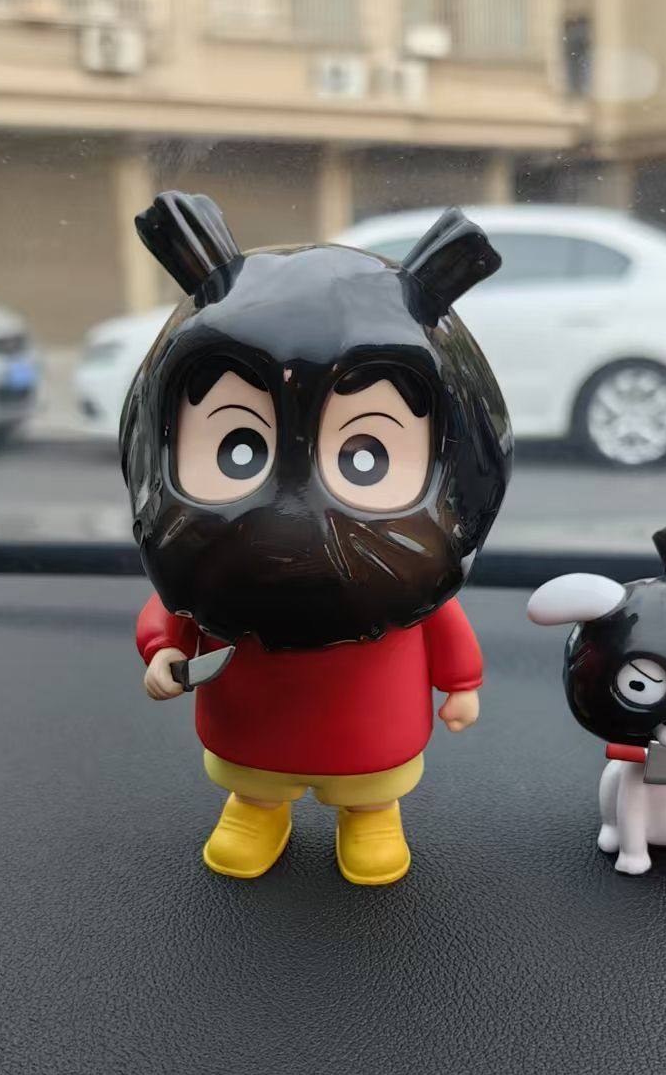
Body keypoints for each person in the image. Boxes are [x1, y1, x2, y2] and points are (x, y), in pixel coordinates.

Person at [121, 193, 511, 885]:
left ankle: (372, 816)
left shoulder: (405, 585)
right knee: (254, 773)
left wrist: (462, 684)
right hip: (251, 717)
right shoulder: (210, 579)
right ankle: (256, 808)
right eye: (237, 449)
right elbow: (169, 619)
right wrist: (165, 652)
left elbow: (446, 630)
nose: (295, 514)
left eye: (369, 457)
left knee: (371, 781)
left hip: (371, 726)